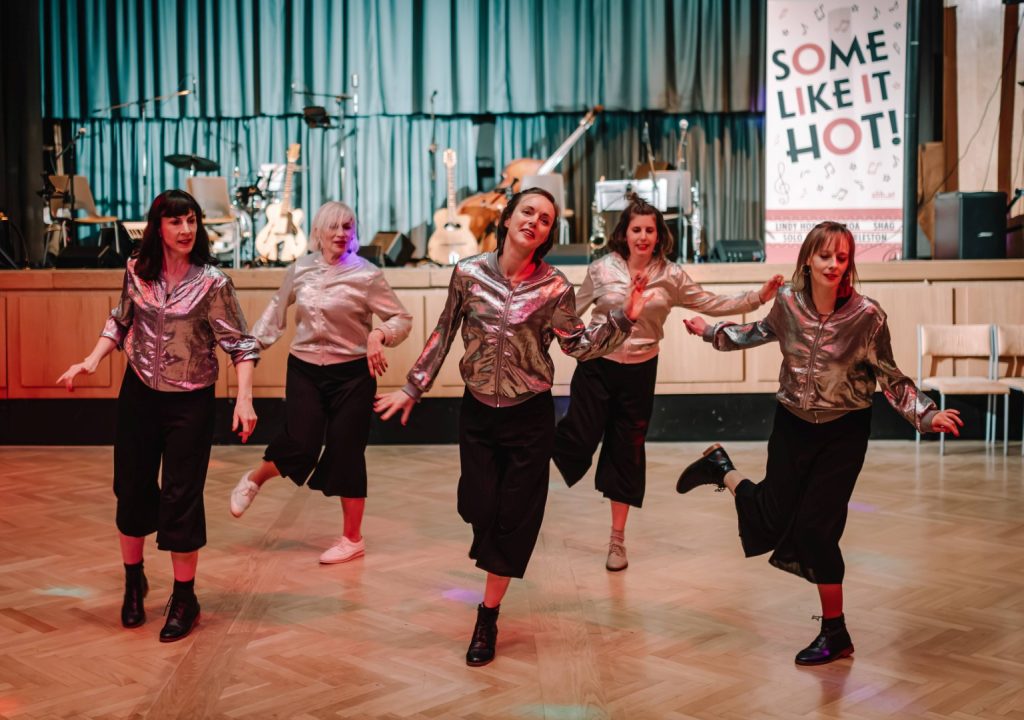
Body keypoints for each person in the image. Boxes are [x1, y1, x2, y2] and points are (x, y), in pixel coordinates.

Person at [374, 187, 649, 667]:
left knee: (514, 519)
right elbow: (443, 332)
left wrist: (623, 320)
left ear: (547, 234)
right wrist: (412, 387)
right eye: (528, 212)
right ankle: (490, 545)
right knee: (477, 504)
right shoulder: (468, 273)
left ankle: (488, 615)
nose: (534, 222)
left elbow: (577, 345)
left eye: (545, 220)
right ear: (507, 218)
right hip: (478, 412)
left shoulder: (555, 287)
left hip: (529, 417)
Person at [677, 221, 963, 665]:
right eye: (825, 255)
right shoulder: (788, 303)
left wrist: (926, 413)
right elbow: (755, 333)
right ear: (808, 259)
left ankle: (836, 632)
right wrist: (709, 331)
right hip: (791, 424)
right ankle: (722, 469)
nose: (833, 264)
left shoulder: (868, 316)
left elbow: (891, 378)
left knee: (816, 530)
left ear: (849, 264)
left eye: (842, 257)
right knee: (771, 516)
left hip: (843, 432)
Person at [58, 189, 259, 642]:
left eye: (191, 221)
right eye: (175, 222)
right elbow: (121, 319)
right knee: (131, 490)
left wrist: (244, 399)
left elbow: (241, 345)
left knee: (180, 497)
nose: (185, 230)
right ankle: (134, 581)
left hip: (191, 400)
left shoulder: (213, 283)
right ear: (158, 227)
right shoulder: (137, 269)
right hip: (139, 396)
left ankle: (185, 598)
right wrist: (91, 359)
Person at [552, 197, 784, 571]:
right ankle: (531, 459)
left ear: (659, 235)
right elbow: (568, 314)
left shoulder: (671, 275)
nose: (643, 236)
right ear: (624, 233)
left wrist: (758, 297)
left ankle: (617, 540)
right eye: (636, 229)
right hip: (596, 366)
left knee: (626, 452)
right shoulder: (601, 269)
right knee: (578, 438)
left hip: (640, 371)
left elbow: (711, 302)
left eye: (650, 230)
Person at [228, 201, 412, 564]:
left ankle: (352, 539)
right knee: (301, 444)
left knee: (347, 451)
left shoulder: (367, 274)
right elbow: (274, 314)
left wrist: (380, 335)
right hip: (305, 370)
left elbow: (401, 319)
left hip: (353, 375)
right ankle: (254, 479)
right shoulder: (300, 269)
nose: (341, 233)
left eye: (348, 227)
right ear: (318, 231)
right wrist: (247, 349)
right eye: (334, 226)